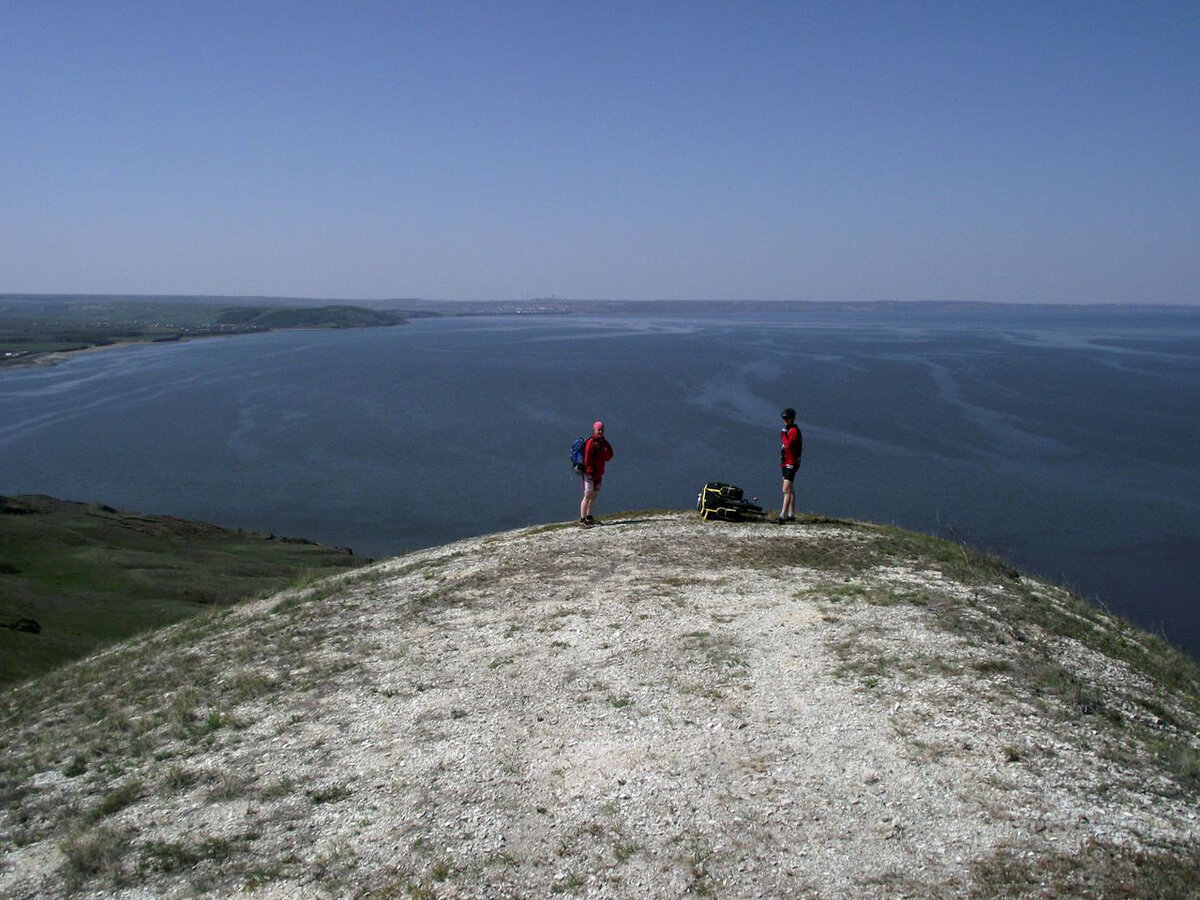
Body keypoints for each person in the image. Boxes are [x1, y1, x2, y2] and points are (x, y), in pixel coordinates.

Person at [579, 420, 614, 528]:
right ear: (594, 430)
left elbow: (610, 455)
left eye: (602, 430)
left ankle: (589, 517)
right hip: (589, 473)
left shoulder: (603, 442)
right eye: (598, 430)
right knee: (587, 495)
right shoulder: (591, 442)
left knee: (594, 495)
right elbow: (587, 458)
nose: (600, 432)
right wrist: (589, 472)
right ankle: (582, 520)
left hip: (598, 473)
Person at [778, 408, 802, 524]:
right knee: (790, 488)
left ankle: (783, 515)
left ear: (792, 418)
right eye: (784, 418)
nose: (785, 420)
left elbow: (788, 445)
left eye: (787, 418)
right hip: (785, 462)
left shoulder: (793, 431)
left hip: (791, 463)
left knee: (786, 489)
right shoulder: (788, 430)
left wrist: (782, 434)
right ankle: (791, 514)